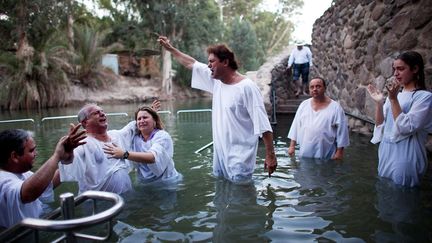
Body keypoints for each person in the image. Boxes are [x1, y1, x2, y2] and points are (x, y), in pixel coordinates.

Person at [158, 36, 277, 183]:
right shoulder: (217, 82)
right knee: (220, 199)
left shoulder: (247, 87)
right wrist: (171, 49)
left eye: (212, 61)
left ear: (225, 62)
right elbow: (191, 63)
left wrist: (270, 155)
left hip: (240, 159)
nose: (208, 65)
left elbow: (263, 124)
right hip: (220, 157)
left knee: (241, 201)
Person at [0, 125, 86, 228]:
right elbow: (28, 193)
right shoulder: (2, 180)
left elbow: (46, 183)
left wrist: (65, 159)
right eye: (31, 151)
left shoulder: (21, 173)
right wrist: (57, 156)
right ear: (14, 156)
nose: (36, 153)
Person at [367, 51, 432, 187]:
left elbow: (406, 127)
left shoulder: (424, 97)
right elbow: (380, 126)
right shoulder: (396, 95)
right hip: (386, 151)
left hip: (406, 154)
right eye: (394, 69)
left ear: (415, 69)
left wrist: (393, 99)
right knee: (385, 197)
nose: (396, 73)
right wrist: (379, 103)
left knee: (403, 200)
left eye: (401, 69)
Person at [104, 106, 181, 184]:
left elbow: (152, 157)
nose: (141, 121)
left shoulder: (162, 136)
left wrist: (124, 154)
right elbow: (123, 131)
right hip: (144, 182)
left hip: (167, 182)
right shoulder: (135, 138)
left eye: (145, 117)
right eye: (139, 119)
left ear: (154, 120)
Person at [288, 77, 350, 160]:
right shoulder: (304, 105)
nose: (315, 89)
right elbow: (295, 125)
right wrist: (292, 146)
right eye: (312, 87)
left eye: (318, 86)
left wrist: (339, 152)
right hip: (305, 153)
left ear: (324, 88)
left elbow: (342, 131)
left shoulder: (335, 108)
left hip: (327, 154)